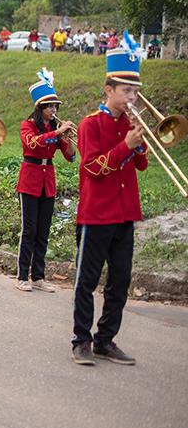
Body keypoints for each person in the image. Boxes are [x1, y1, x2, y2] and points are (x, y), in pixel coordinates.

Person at [71, 32, 149, 367]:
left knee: (120, 280)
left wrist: (138, 143)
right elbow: (92, 168)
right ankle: (81, 340)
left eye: (135, 91)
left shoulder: (131, 124)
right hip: (97, 213)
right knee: (87, 281)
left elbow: (142, 164)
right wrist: (125, 147)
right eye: (126, 90)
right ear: (109, 90)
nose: (133, 96)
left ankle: (106, 340)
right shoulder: (91, 124)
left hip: (125, 212)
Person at [16, 68, 76, 292]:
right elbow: (32, 143)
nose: (53, 110)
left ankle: (38, 277)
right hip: (29, 179)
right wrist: (57, 132)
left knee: (44, 231)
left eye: (55, 106)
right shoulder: (27, 125)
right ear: (40, 107)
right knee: (29, 230)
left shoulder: (55, 129)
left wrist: (67, 138)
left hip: (48, 181)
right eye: (49, 106)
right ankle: (22, 276)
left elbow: (70, 157)